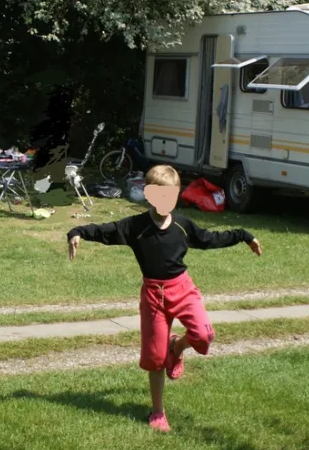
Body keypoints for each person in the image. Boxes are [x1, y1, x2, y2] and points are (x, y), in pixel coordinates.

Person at [66, 164, 262, 433]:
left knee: (204, 336)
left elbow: (210, 238)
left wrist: (243, 235)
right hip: (153, 296)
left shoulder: (182, 225)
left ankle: (177, 348)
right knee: (155, 359)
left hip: (183, 290)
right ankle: (157, 412)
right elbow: (106, 230)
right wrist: (77, 232)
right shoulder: (135, 226)